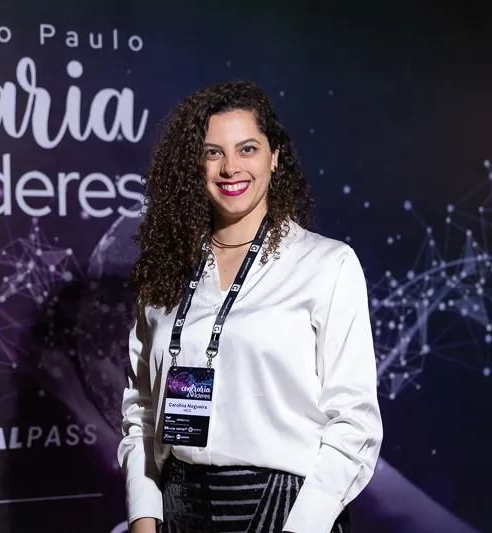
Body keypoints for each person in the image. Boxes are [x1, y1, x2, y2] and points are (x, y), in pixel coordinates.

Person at [116, 81, 383, 533]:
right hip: (178, 508)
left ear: (274, 156)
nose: (230, 167)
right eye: (212, 152)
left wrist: (304, 525)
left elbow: (354, 422)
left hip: (283, 511)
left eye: (247, 149)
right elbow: (140, 412)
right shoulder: (166, 270)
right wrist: (144, 517)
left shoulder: (327, 264)